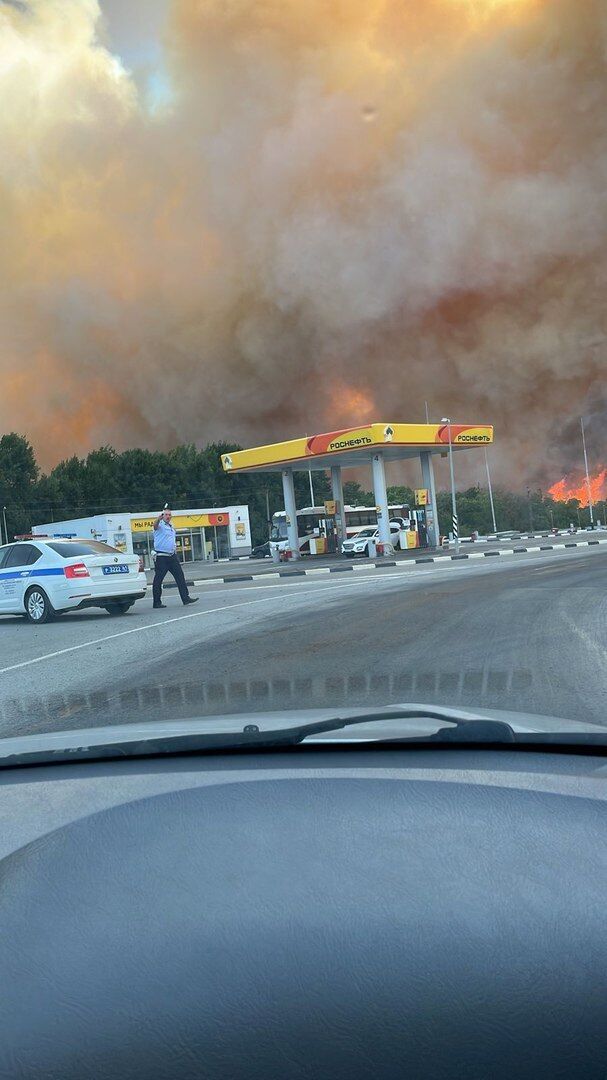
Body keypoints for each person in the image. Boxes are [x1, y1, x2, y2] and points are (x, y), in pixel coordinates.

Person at [152, 508, 198, 609]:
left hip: (172, 556)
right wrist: (158, 519)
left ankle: (186, 598)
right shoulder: (159, 525)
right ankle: (156, 602)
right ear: (162, 516)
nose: (168, 516)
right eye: (166, 515)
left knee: (180, 577)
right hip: (161, 557)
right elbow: (154, 526)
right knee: (158, 580)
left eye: (169, 515)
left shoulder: (172, 526)